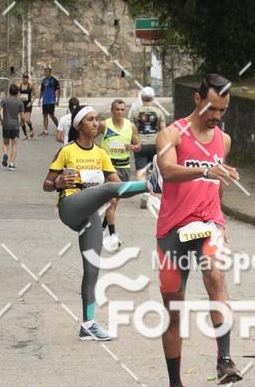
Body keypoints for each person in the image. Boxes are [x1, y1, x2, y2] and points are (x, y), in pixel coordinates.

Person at [155, 73, 242, 387]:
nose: (216, 116)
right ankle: (175, 386)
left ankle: (224, 359)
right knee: (173, 312)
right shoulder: (172, 134)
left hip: (208, 224)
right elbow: (167, 170)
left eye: (222, 110)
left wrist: (220, 221)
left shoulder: (224, 140)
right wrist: (205, 171)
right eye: (211, 108)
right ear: (196, 99)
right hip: (173, 229)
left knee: (215, 275)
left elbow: (218, 185)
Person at [42, 105, 146, 340]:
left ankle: (88, 325)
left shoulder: (101, 153)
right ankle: (152, 184)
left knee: (92, 268)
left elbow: (118, 186)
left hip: (90, 215)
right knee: (108, 188)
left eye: (97, 119)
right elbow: (46, 185)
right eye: (90, 119)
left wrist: (117, 195)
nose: (96, 123)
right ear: (79, 125)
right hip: (70, 206)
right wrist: (58, 183)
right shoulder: (67, 151)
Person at [98, 99, 141, 251]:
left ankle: (101, 229)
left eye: (122, 110)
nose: (120, 112)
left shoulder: (131, 126)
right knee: (112, 201)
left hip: (124, 167)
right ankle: (113, 235)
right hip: (108, 167)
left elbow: (138, 145)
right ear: (112, 110)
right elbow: (90, 136)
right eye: (117, 109)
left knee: (115, 202)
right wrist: (99, 151)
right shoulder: (104, 124)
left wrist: (132, 147)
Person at [129, 86, 166, 207]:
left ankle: (144, 196)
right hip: (155, 144)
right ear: (153, 98)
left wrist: (133, 143)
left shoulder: (135, 112)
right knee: (154, 170)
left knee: (141, 171)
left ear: (142, 98)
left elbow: (131, 129)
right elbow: (163, 131)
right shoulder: (159, 112)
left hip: (140, 144)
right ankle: (152, 193)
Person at [0, 83, 24, 170]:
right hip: (15, 125)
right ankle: (11, 164)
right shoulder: (20, 102)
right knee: (14, 144)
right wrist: (21, 122)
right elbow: (22, 116)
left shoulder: (4, 100)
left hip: (6, 124)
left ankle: (5, 154)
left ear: (9, 92)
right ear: (17, 92)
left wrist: (1, 120)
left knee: (6, 143)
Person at [37, 66, 61, 136]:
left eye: (47, 72)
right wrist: (39, 99)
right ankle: (45, 131)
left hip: (51, 101)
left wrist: (58, 100)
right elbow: (41, 91)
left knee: (51, 115)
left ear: (50, 72)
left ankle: (59, 128)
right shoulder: (43, 80)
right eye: (45, 72)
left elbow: (59, 90)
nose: (46, 73)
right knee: (44, 115)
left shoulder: (54, 80)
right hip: (45, 101)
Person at [18, 73, 36, 138]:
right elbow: (17, 94)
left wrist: (31, 102)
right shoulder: (19, 86)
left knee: (27, 120)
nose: (25, 79)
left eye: (26, 78)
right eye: (24, 78)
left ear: (28, 79)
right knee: (22, 120)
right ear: (22, 78)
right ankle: (25, 135)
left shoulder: (30, 86)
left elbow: (34, 95)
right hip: (21, 105)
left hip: (28, 105)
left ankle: (31, 129)